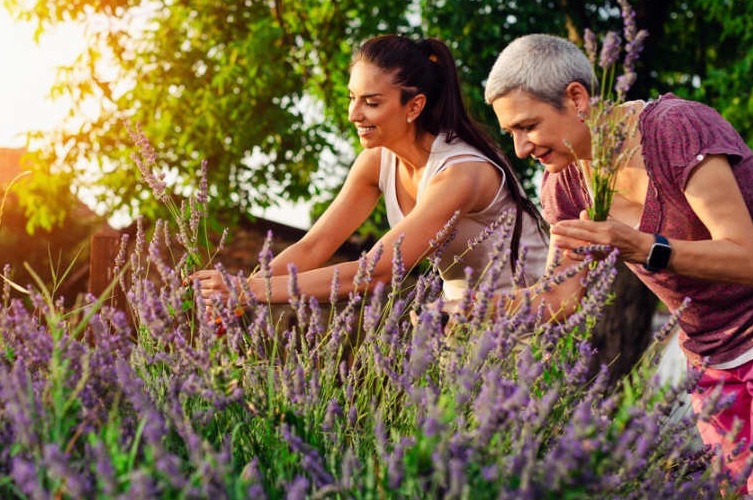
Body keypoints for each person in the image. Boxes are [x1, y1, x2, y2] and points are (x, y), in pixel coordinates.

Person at [483, 33, 753, 500]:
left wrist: (639, 245)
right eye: (512, 133)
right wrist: (481, 309)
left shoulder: (674, 128)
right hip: (710, 359)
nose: (522, 148)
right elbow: (563, 298)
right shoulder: (563, 184)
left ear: (577, 97)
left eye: (529, 126)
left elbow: (748, 260)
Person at [187, 34, 548, 305]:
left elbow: (378, 271)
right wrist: (239, 291)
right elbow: (313, 247)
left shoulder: (461, 174)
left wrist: (249, 291)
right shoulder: (378, 161)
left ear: (414, 105)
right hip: (461, 318)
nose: (353, 114)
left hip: (531, 314)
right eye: (351, 97)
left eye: (371, 102)